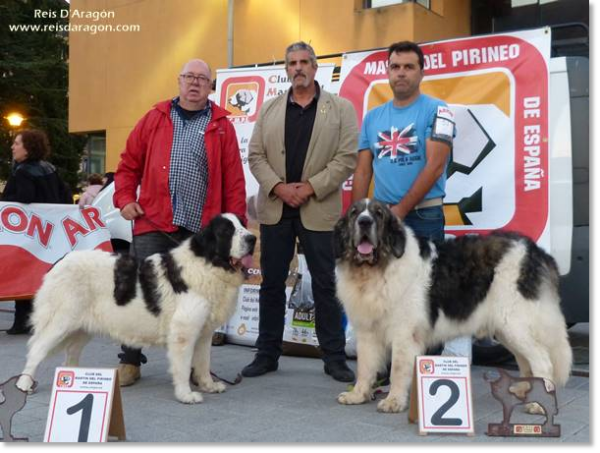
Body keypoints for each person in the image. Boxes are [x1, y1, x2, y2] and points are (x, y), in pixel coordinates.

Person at [113, 58, 247, 386]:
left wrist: (236, 230)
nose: (194, 83)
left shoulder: (222, 126)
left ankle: (192, 365)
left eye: (202, 79)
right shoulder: (154, 118)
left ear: (210, 86)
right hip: (153, 222)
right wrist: (125, 199)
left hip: (201, 231)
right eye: (189, 77)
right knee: (141, 293)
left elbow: (234, 181)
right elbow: (128, 165)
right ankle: (130, 360)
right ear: (179, 81)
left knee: (197, 299)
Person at [244, 42, 358, 382]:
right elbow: (255, 156)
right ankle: (267, 354)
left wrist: (309, 187)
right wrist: (279, 188)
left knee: (325, 283)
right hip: (277, 208)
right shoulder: (268, 109)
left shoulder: (341, 109)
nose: (298, 68)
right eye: (292, 63)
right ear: (286, 69)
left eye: (304, 62)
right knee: (272, 284)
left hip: (318, 207)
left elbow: (347, 157)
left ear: (315, 67)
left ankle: (334, 358)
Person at [351, 41, 468, 358]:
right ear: (387, 72)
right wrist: (355, 216)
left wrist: (398, 212)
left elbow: (435, 165)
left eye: (408, 66)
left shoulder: (438, 111)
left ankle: (426, 372)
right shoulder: (373, 118)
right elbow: (362, 171)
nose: (401, 73)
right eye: (395, 66)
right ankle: (391, 371)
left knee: (428, 295)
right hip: (381, 221)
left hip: (423, 217)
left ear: (421, 71)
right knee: (386, 296)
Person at [1, 129, 72, 334]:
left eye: (17, 143)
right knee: (45, 272)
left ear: (27, 148)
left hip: (28, 232)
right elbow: (65, 196)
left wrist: (5, 203)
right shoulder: (49, 168)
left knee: (23, 271)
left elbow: (24, 197)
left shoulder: (23, 171)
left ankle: (23, 320)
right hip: (50, 231)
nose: (13, 147)